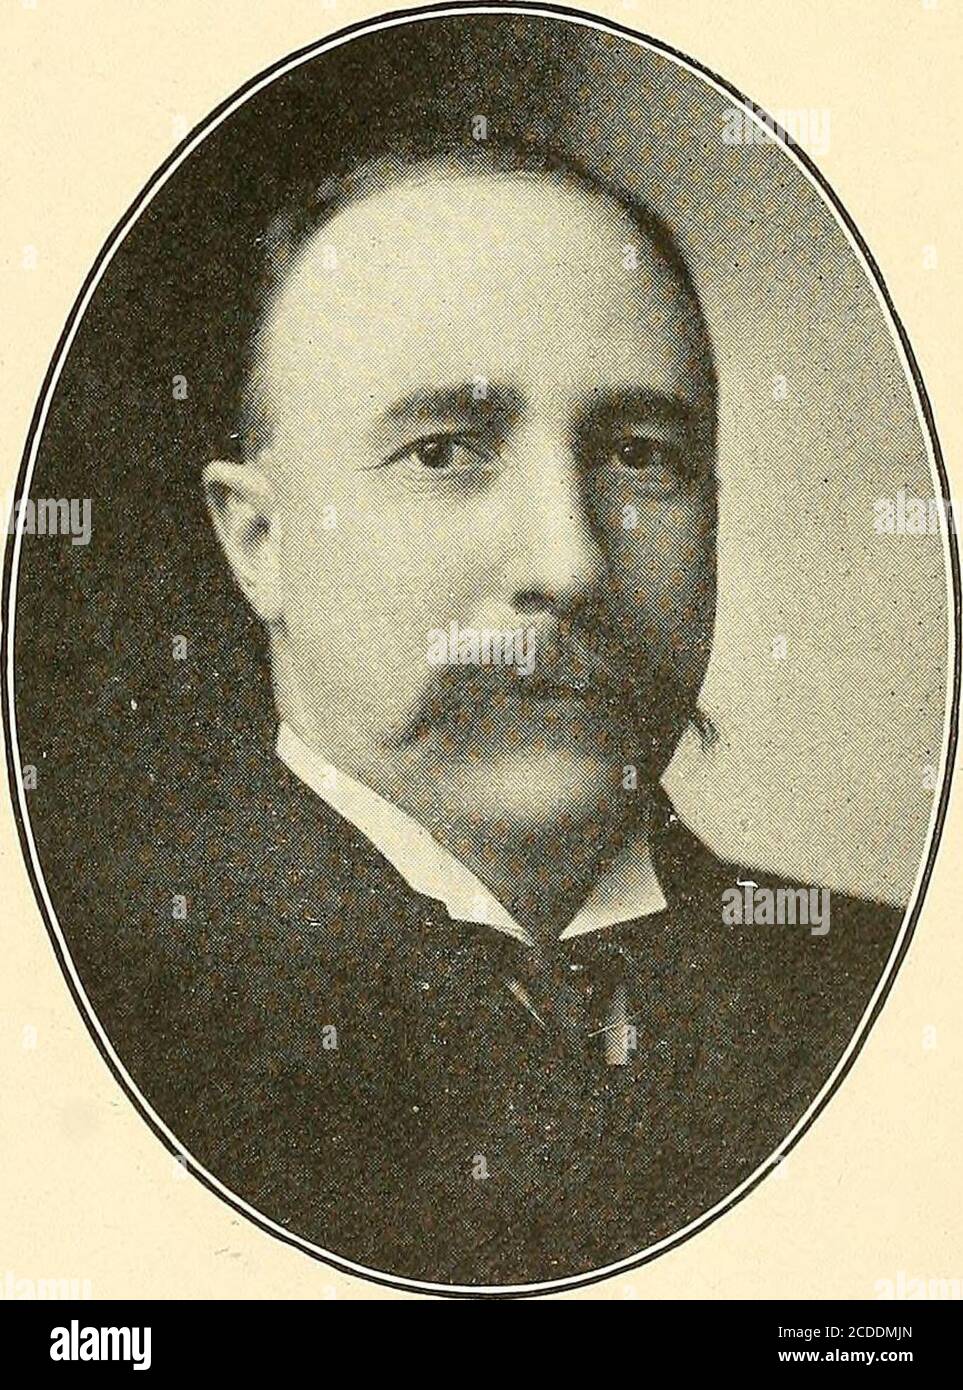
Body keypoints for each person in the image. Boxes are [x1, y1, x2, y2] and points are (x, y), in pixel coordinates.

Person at [90, 136, 902, 1286]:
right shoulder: (102, 1019)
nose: (570, 563)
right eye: (443, 451)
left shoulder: (891, 997)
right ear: (259, 541)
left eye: (641, 454)